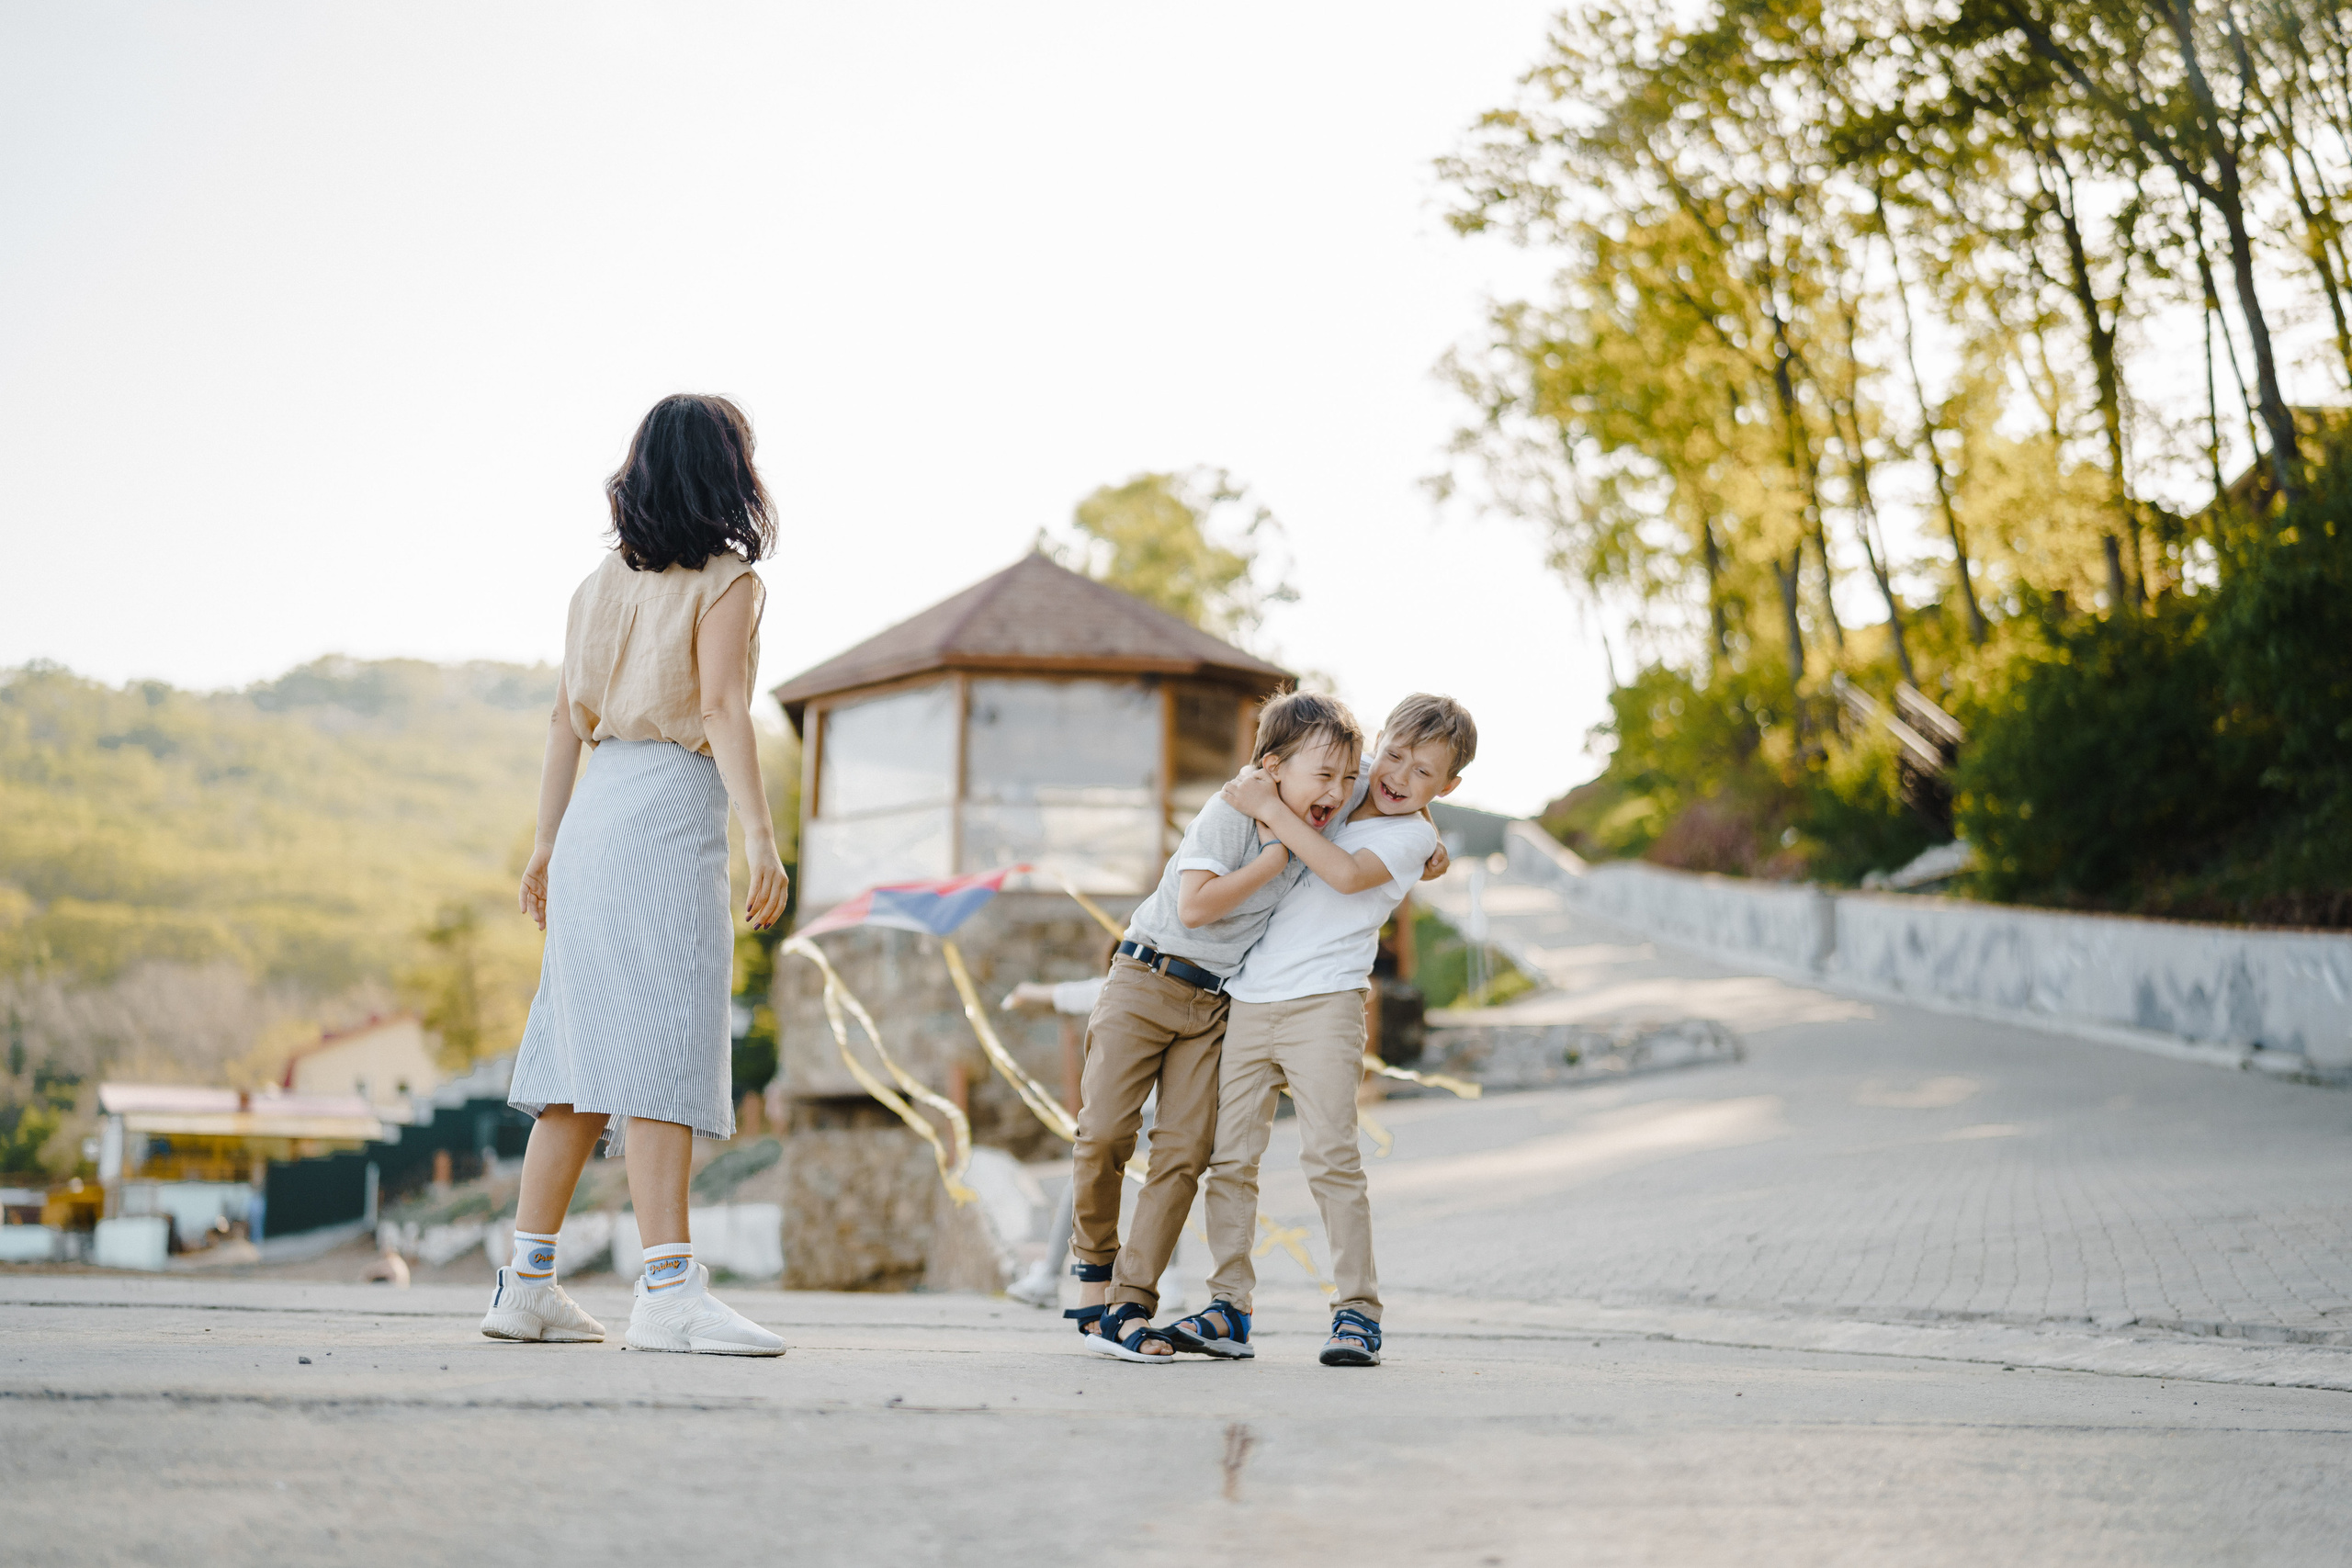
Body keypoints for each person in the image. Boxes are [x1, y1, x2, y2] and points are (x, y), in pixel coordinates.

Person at [478, 393, 791, 1358]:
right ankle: (668, 1290)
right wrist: (760, 834)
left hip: (589, 820)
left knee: (576, 1057)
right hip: (662, 813)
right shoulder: (726, 582)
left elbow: (563, 721)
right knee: (662, 1045)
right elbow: (726, 710)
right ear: (730, 471)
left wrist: (544, 843)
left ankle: (526, 1283)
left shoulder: (596, 586)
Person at [1170, 694, 1476, 1368]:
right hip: (1251, 998)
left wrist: (1270, 811)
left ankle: (1357, 1311)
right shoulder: (1354, 777)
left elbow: (1342, 873)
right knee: (1230, 1158)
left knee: (1332, 1159)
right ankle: (1228, 1307)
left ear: (1448, 787)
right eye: (1394, 754)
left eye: (1423, 773)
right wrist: (1262, 791)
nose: (1398, 777)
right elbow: (1301, 766)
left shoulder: (1411, 834)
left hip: (1327, 1005)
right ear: (1381, 743)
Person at [1063, 691, 1363, 1360]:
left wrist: (1432, 840)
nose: (1338, 791)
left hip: (1212, 1007)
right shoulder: (1230, 813)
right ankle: (1092, 1265)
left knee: (1183, 1153)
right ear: (1271, 766)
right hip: (1145, 978)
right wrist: (1274, 854)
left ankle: (1131, 1303)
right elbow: (1195, 908)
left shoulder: (1322, 804)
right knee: (1106, 1129)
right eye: (1325, 776)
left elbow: (1393, 787)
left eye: (1348, 777)